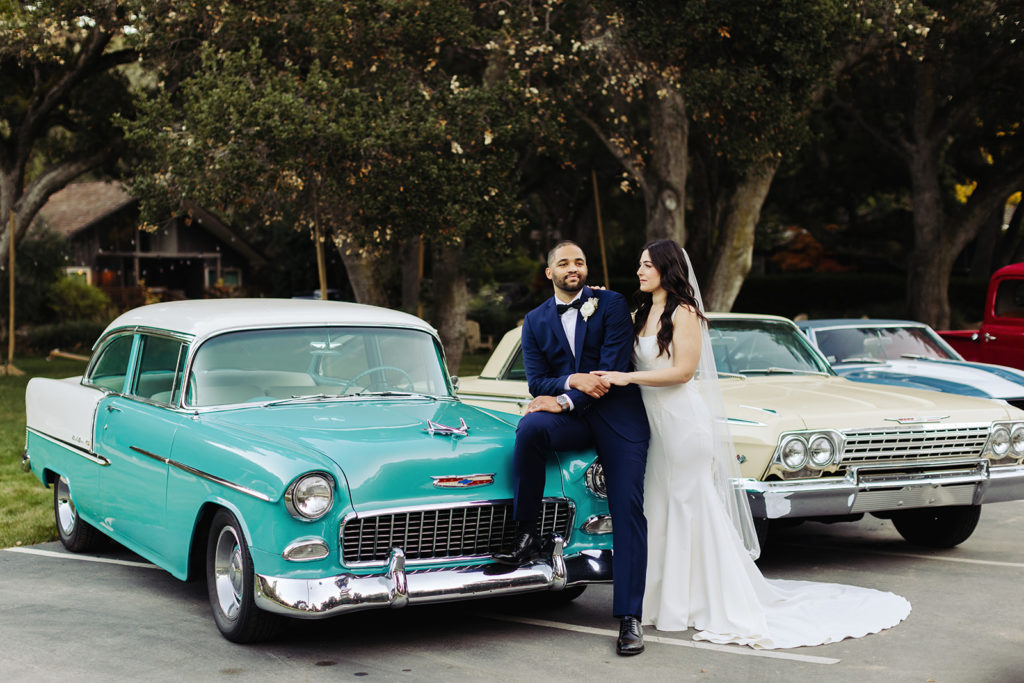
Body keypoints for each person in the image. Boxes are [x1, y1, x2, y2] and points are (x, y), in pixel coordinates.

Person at [593, 239, 911, 649]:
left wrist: (628, 379)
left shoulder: (686, 313)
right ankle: (662, 600)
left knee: (690, 505)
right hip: (651, 423)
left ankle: (703, 599)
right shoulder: (640, 313)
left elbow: (684, 372)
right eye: (639, 264)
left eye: (648, 265)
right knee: (659, 505)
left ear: (668, 269)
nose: (640, 271)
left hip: (682, 423)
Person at [492, 240, 651, 656]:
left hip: (619, 418)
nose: (573, 268)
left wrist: (567, 397)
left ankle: (630, 617)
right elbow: (536, 382)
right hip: (574, 420)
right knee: (529, 428)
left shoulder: (611, 304)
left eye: (579, 261)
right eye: (564, 263)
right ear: (550, 273)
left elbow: (613, 367)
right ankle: (526, 533)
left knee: (626, 505)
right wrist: (569, 383)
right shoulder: (534, 320)